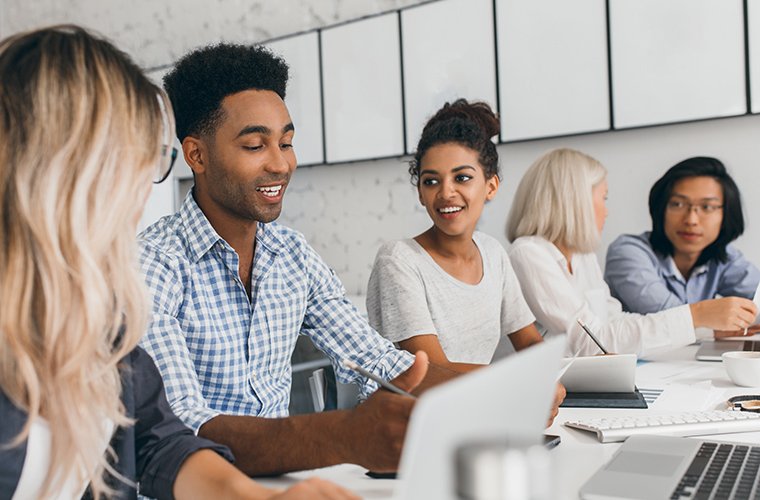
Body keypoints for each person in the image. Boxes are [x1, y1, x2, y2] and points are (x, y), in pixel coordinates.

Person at [0, 26, 355, 500]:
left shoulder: (96, 314)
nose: (140, 191)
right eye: (132, 163)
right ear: (54, 165)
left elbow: (161, 444)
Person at [138, 43, 549, 477]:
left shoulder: (293, 256)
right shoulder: (154, 265)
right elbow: (181, 428)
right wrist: (343, 436)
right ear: (196, 155)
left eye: (287, 142)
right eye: (256, 146)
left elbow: (383, 363)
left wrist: (507, 397)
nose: (281, 164)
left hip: (281, 487)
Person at [505, 148, 756, 358]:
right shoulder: (528, 253)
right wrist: (697, 316)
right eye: (603, 198)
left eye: (707, 207)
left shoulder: (583, 255)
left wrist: (706, 329)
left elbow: (612, 321)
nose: (606, 212)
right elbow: (591, 341)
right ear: (575, 202)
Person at [366, 99, 547, 370]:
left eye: (461, 177)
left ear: (491, 186)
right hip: (417, 411)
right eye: (431, 181)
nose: (445, 192)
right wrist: (518, 380)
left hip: (479, 404)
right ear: (420, 194)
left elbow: (530, 342)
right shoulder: (399, 260)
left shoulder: (493, 253)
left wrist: (578, 371)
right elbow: (432, 372)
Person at [605, 157, 760, 334]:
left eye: (707, 207)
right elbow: (668, 317)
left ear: (726, 216)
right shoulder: (627, 252)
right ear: (660, 209)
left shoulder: (725, 258)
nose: (691, 220)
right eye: (678, 204)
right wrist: (714, 326)